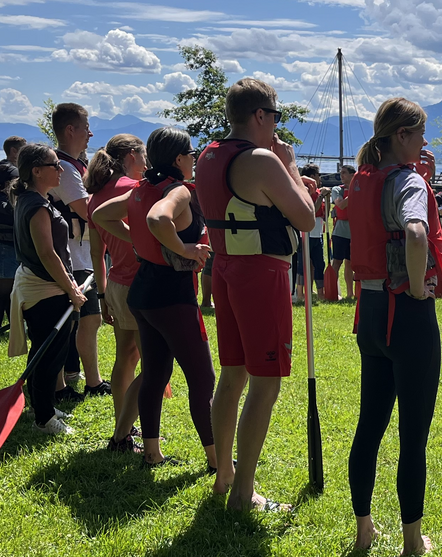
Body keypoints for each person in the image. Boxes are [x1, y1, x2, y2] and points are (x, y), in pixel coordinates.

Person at [197, 78, 316, 511]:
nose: (277, 130)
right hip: (260, 274)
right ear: (260, 116)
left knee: (231, 376)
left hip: (226, 269)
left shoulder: (207, 156)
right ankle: (244, 493)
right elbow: (305, 218)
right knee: (265, 384)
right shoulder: (263, 159)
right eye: (275, 118)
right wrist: (291, 166)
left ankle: (225, 473)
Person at [347, 97, 442, 555]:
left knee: (369, 425)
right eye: (420, 133)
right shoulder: (407, 180)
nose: (425, 142)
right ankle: (411, 540)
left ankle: (364, 528)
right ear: (401, 136)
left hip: (368, 314)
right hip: (404, 314)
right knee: (414, 433)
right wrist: (414, 286)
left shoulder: (362, 179)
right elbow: (415, 232)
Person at [95, 128, 217, 469]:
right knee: (202, 379)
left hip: (144, 292)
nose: (195, 158)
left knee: (155, 373)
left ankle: (152, 451)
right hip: (172, 296)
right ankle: (216, 459)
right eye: (192, 153)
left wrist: (138, 241)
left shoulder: (142, 187)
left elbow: (101, 214)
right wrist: (183, 247)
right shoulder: (177, 190)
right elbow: (157, 218)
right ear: (179, 159)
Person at [7, 143, 87, 434]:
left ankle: (43, 406)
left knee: (45, 354)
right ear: (37, 171)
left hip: (42, 286)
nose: (61, 169)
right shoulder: (37, 205)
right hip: (45, 289)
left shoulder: (33, 199)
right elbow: (47, 253)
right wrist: (72, 289)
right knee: (48, 357)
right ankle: (43, 418)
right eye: (55, 165)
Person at [85, 133, 147, 452]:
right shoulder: (133, 190)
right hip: (142, 283)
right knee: (150, 363)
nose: (147, 163)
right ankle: (131, 433)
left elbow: (98, 254)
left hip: (117, 286)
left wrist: (102, 294)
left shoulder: (95, 196)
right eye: (144, 156)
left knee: (126, 359)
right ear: (131, 156)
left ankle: (124, 428)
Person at [48, 102, 109, 398]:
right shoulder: (65, 169)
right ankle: (59, 384)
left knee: (89, 319)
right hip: (69, 255)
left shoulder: (76, 165)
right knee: (69, 322)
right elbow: (87, 210)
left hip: (83, 253)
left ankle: (91, 380)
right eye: (86, 127)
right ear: (70, 130)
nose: (90, 133)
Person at [0, 136, 25, 330]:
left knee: (10, 290)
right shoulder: (0, 200)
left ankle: (9, 326)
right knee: (4, 290)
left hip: (11, 245)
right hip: (5, 246)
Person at [294, 163, 325, 302]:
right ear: (312, 176)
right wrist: (320, 197)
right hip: (306, 234)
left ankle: (320, 293)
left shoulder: (318, 192)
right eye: (318, 175)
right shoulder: (306, 191)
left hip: (317, 233)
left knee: (319, 264)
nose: (320, 178)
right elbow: (312, 209)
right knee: (303, 264)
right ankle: (300, 293)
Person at [330, 164, 356, 300]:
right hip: (340, 231)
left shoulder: (359, 189)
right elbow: (340, 204)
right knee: (337, 262)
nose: (342, 176)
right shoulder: (336, 189)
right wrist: (355, 191)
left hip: (355, 231)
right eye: (341, 173)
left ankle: (350, 293)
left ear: (353, 175)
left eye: (345, 173)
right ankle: (332, 292)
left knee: (350, 263)